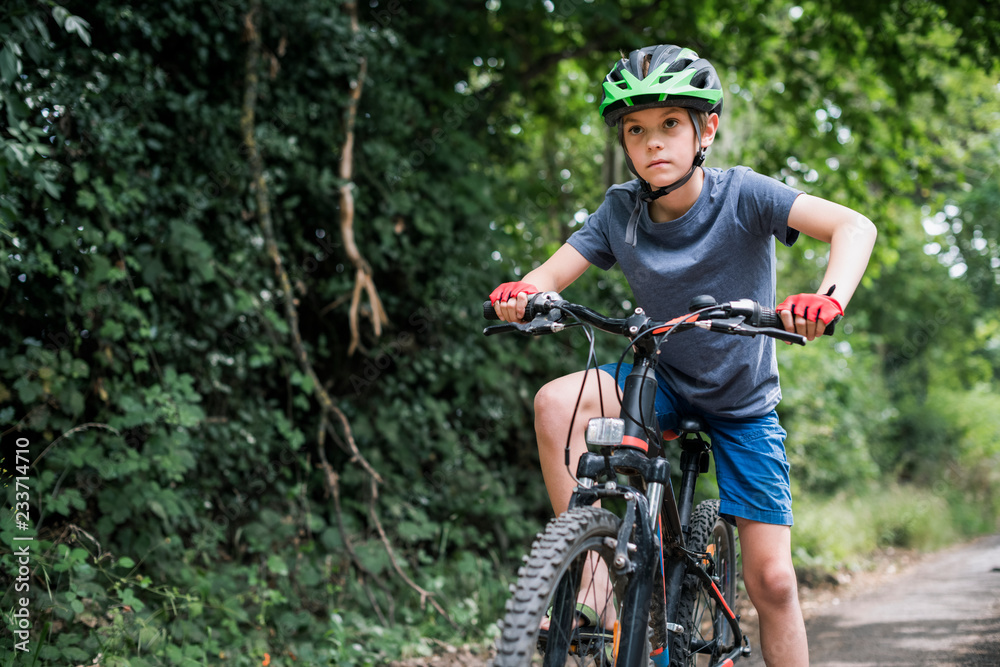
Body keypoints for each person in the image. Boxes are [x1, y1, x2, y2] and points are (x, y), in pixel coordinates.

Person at [489, 44, 876, 666]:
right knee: (556, 401)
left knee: (772, 581)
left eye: (670, 124)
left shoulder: (744, 195)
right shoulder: (621, 209)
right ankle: (594, 580)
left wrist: (826, 300)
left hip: (742, 401)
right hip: (661, 380)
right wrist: (523, 296)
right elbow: (548, 276)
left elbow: (854, 227)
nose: (652, 143)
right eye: (635, 130)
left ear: (706, 129)